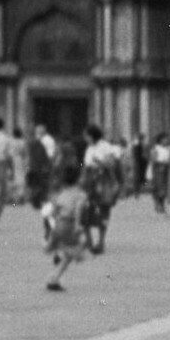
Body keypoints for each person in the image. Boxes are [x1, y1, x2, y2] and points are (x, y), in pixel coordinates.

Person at [44, 161, 90, 291]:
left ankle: (55, 273)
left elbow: (53, 212)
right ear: (78, 179)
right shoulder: (80, 195)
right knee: (75, 252)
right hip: (69, 224)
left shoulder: (62, 194)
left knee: (69, 253)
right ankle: (54, 277)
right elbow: (78, 209)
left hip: (59, 223)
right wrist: (77, 224)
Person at [81, 124, 123, 254]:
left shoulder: (105, 146)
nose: (85, 138)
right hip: (90, 180)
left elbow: (112, 163)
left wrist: (100, 162)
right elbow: (86, 165)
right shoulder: (89, 148)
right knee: (84, 210)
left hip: (103, 180)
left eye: (86, 135)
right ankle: (88, 239)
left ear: (92, 135)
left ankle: (101, 242)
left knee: (103, 210)